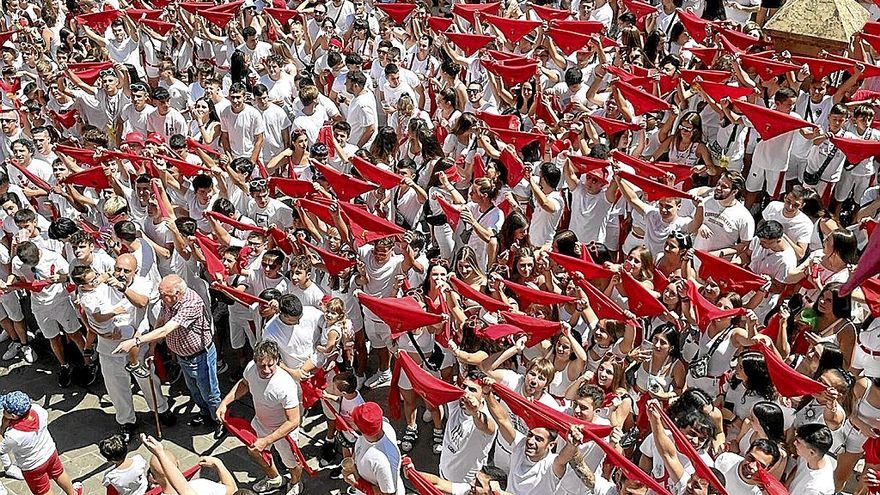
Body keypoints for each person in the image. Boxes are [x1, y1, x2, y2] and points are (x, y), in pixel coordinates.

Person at [114, 275, 220, 432]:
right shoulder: (169, 299)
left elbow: (166, 329)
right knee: (195, 390)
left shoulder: (192, 304)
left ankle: (218, 420)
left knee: (209, 392)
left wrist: (136, 342)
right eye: (160, 293)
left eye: (164, 295)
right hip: (184, 357)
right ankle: (205, 414)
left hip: (200, 356)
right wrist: (152, 348)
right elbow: (161, 320)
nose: (161, 298)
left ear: (178, 294)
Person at [216, 340, 303, 495]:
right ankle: (274, 478)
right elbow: (244, 384)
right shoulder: (251, 368)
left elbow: (294, 421)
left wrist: (266, 440)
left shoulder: (285, 385)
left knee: (291, 462)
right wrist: (225, 403)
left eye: (271, 365)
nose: (267, 370)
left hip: (284, 431)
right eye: (262, 366)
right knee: (255, 452)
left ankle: (295, 482)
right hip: (261, 423)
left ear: (277, 360)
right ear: (255, 361)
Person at [0, 391, 82, 495]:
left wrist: (2, 428)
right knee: (59, 473)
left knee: (43, 491)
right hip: (50, 452)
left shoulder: (14, 435)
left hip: (33, 466)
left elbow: (1, 449)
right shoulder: (38, 410)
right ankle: (73, 493)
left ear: (13, 416)